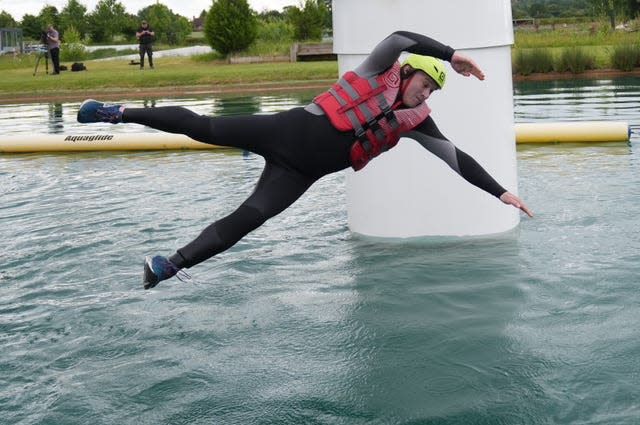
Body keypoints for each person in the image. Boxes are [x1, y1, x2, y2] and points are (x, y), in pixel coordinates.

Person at [77, 30, 533, 290]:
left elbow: (457, 160)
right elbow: (401, 36)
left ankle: (168, 265)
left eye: (432, 91)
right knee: (206, 127)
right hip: (287, 129)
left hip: (300, 173)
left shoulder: (415, 121)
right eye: (425, 83)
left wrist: (502, 192)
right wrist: (451, 55)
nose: (425, 93)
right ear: (410, 71)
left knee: (249, 219)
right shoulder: (379, 68)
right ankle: (118, 112)